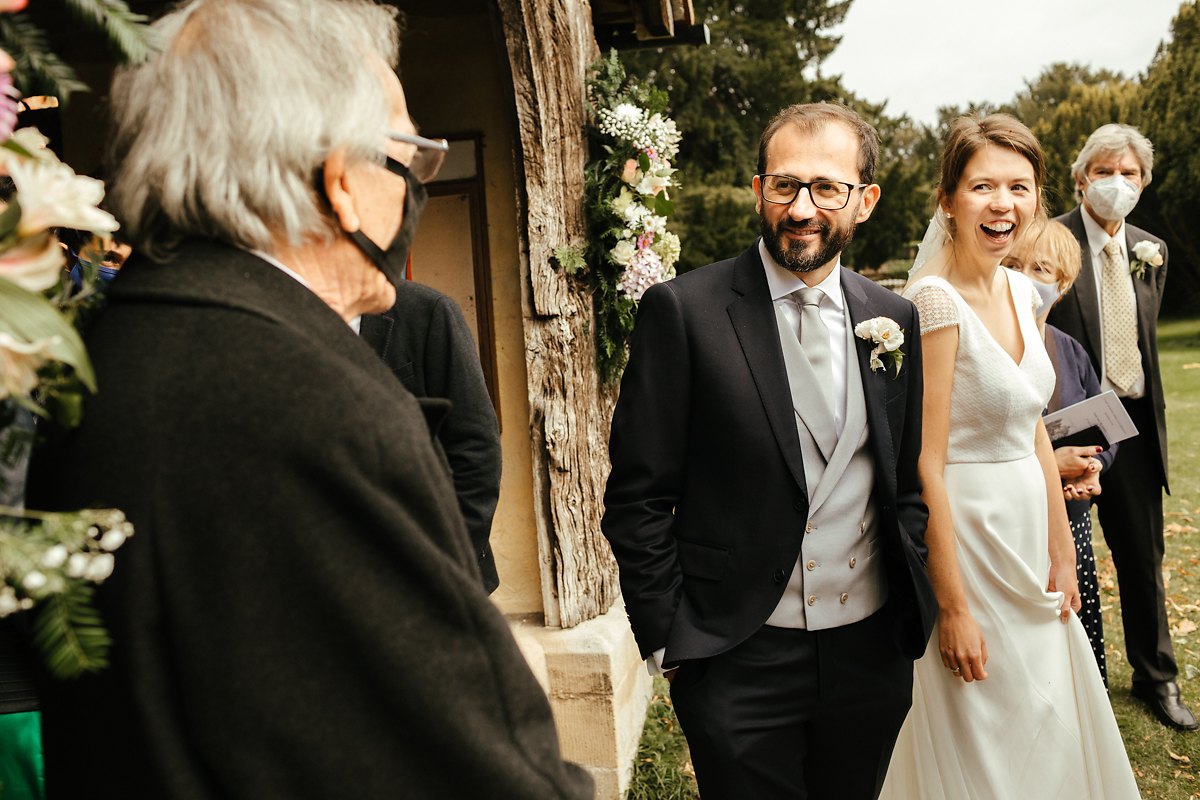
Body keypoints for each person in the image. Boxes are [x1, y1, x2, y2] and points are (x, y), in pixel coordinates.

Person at [24, 1, 593, 797]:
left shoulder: (94, 363)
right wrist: (515, 680)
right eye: (408, 156)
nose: (416, 187)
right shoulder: (313, 407)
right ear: (340, 181)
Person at [602, 102, 937, 799]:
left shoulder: (893, 318)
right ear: (759, 190)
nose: (802, 208)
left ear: (865, 200)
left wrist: (909, 602)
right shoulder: (684, 312)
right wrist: (671, 642)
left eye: (826, 188)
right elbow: (638, 495)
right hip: (736, 659)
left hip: (868, 655)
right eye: (784, 185)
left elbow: (904, 482)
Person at [881, 114, 1138, 799]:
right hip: (970, 541)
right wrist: (953, 606)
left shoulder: (1027, 292)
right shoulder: (933, 304)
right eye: (983, 186)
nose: (1004, 203)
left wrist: (1062, 549)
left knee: (1047, 711)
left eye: (1019, 187)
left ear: (1038, 197)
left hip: (1033, 539)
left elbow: (1030, 428)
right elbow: (924, 463)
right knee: (985, 717)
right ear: (949, 200)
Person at [1047, 123, 1196, 731]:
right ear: (1081, 177)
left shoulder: (1150, 251)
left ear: (1143, 182)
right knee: (1068, 561)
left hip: (1132, 421)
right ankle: (1076, 683)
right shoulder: (1048, 240)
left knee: (1142, 555)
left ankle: (1156, 678)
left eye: (1129, 174)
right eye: (1104, 171)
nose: (1116, 183)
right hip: (1071, 422)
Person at [1004, 218, 1117, 684]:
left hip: (1071, 524)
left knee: (1071, 622)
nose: (1026, 275)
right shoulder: (989, 346)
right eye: (1014, 264)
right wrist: (1053, 464)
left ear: (1062, 283)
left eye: (1040, 267)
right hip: (1012, 521)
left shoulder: (1070, 351)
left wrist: (1092, 469)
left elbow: (1106, 432)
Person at [361, 285, 503, 593]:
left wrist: (449, 560)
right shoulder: (282, 315)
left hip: (437, 571)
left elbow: (476, 445)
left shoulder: (428, 311)